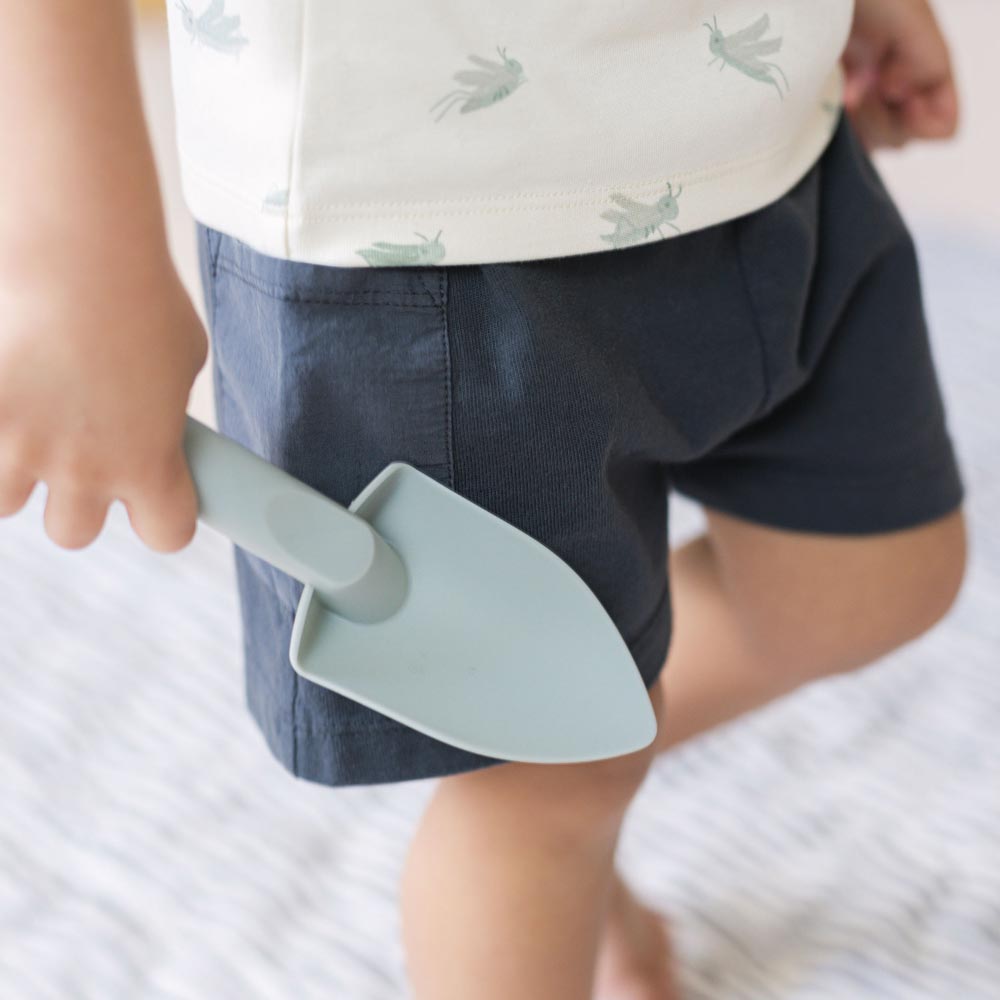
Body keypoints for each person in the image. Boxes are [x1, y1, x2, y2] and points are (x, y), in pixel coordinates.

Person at [0, 1, 968, 997]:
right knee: (544, 791)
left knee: (871, 578)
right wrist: (70, 251)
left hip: (759, 130)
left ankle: (573, 799)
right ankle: (549, 833)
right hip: (419, 227)